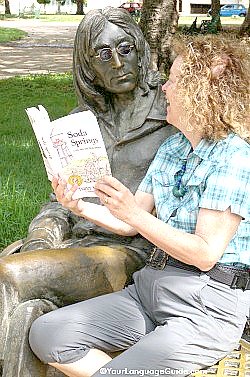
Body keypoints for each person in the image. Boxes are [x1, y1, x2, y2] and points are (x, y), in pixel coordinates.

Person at [29, 35, 250, 377]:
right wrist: (78, 206)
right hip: (151, 288)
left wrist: (132, 212)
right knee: (48, 335)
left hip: (207, 306)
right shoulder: (173, 148)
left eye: (173, 81)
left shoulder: (234, 158)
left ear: (200, 95)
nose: (164, 88)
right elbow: (130, 224)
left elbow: (205, 253)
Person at [20, 6, 175, 255]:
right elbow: (61, 202)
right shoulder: (79, 124)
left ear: (140, 50)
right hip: (78, 243)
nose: (117, 62)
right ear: (88, 67)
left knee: (13, 276)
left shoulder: (172, 115)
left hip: (133, 250)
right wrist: (39, 240)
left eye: (125, 49)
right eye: (103, 54)